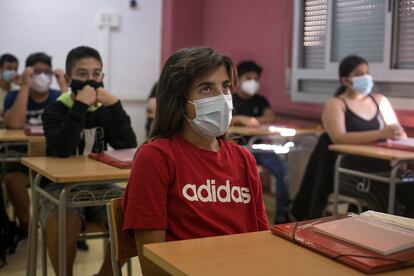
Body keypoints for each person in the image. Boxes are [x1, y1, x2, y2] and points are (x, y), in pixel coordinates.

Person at [122, 47, 269, 275]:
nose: (221, 97)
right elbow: (152, 262)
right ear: (179, 99)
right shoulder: (155, 158)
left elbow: (261, 241)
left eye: (226, 87)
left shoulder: (244, 159)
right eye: (206, 88)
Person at [41, 46, 137, 276]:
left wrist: (115, 107)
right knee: (66, 220)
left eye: (97, 74)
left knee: (133, 214)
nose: (91, 80)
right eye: (82, 74)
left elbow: (128, 146)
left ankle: (105, 274)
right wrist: (80, 106)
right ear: (67, 78)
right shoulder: (54, 110)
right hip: (58, 186)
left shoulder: (104, 110)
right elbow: (61, 149)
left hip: (98, 184)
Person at [292, 55, 414, 220]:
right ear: (345, 80)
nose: (366, 77)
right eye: (359, 73)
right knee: (388, 202)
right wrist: (381, 134)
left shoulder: (379, 101)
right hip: (349, 169)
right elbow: (339, 138)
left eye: (367, 72)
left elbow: (396, 131)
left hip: (383, 167)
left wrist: (397, 133)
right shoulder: (336, 104)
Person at [3, 52, 66, 238]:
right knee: (12, 180)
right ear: (28, 73)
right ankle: (27, 229)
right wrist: (25, 86)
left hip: (52, 157)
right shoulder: (14, 95)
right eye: (37, 72)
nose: (43, 76)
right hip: (21, 157)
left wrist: (63, 84)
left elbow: (73, 121)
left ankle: (65, 227)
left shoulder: (58, 96)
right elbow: (14, 123)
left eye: (47, 72)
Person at [232, 60, 289, 224]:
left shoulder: (260, 101)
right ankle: (240, 214)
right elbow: (227, 121)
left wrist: (251, 120)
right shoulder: (230, 99)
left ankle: (282, 214)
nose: (253, 82)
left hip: (258, 148)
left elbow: (270, 117)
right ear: (238, 80)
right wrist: (240, 119)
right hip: (237, 147)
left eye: (256, 79)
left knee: (282, 170)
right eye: (249, 78)